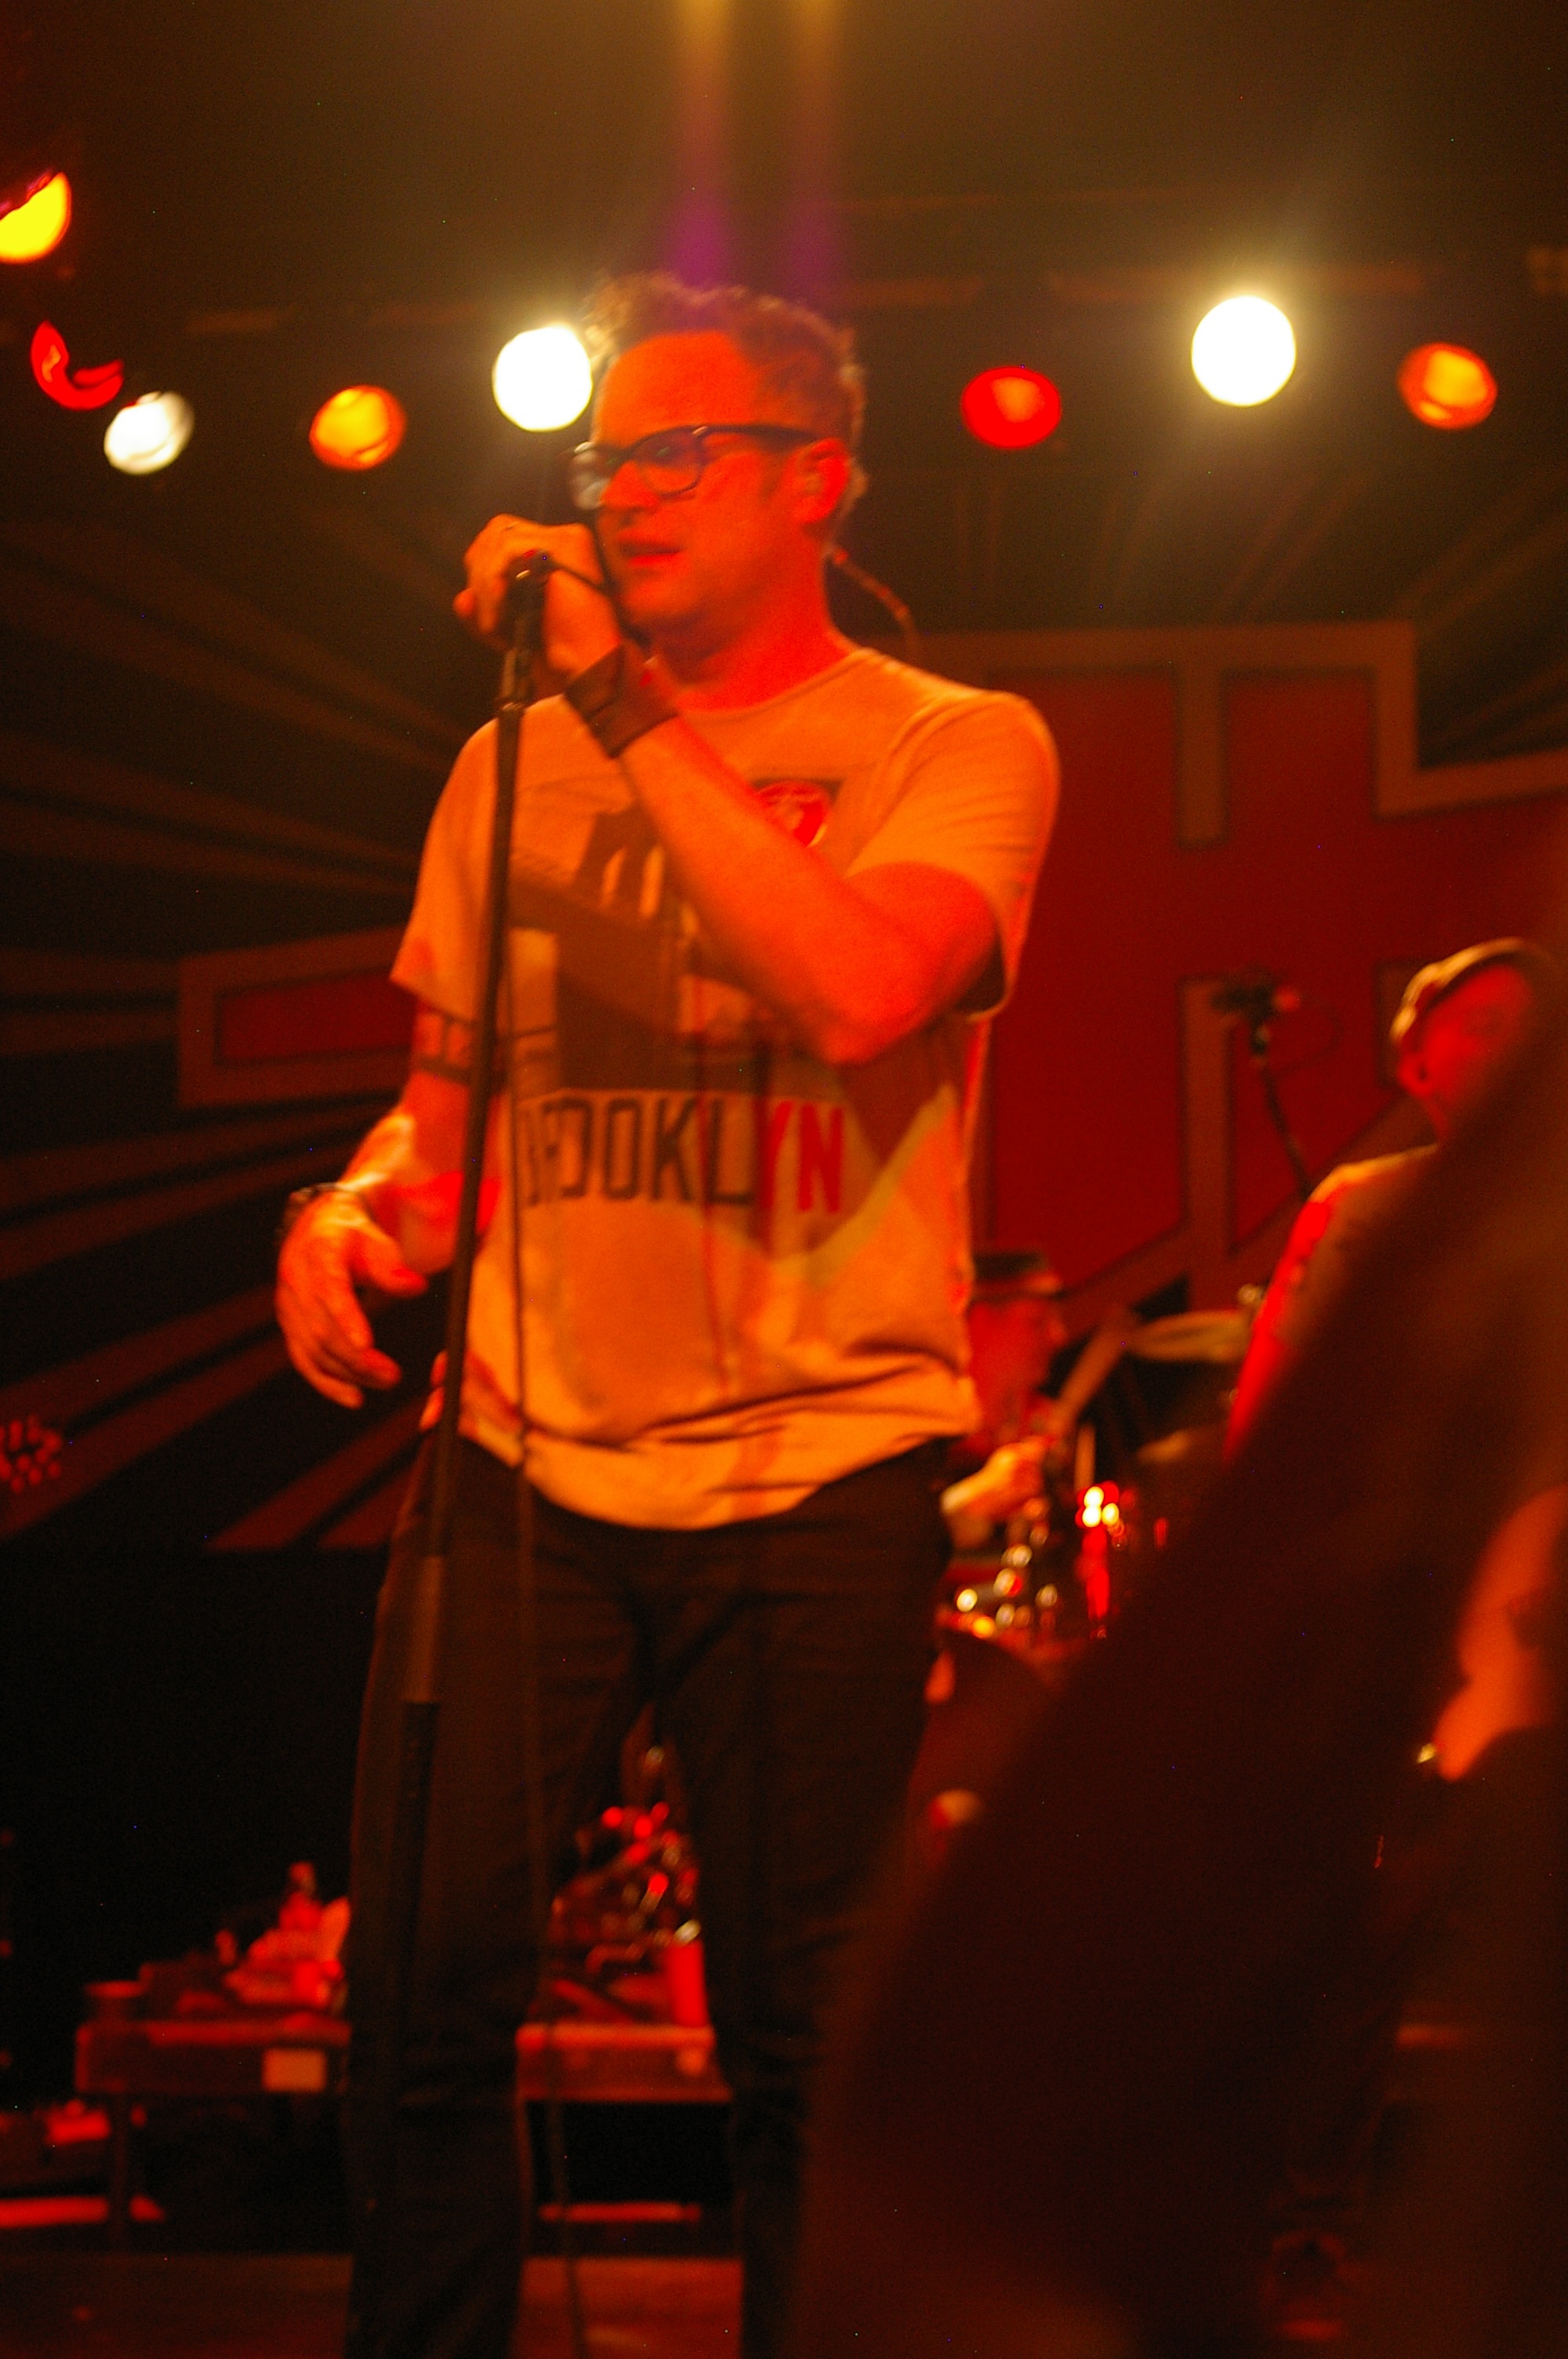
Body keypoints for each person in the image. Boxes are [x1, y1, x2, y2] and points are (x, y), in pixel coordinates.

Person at [274, 273, 1057, 2359]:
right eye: (602, 457)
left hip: (818, 1467)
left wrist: (625, 711)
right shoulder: (504, 770)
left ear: (816, 481)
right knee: (419, 2001)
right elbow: (443, 1123)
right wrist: (345, 1211)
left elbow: (861, 991)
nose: (622, 492)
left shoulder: (951, 745)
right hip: (525, 1462)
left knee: (805, 2041)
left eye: (676, 452)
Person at [1228, 938, 1552, 1449]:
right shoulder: (1362, 1208)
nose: (1522, 1047)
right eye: (1486, 1026)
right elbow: (1262, 1431)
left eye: (1538, 1029)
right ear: (1417, 1068)